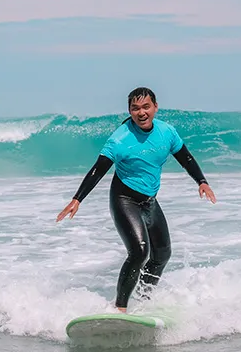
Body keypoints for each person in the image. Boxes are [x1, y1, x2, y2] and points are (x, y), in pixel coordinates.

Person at [56, 87, 216, 312]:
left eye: (146, 107)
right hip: (124, 198)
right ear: (130, 111)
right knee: (140, 252)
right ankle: (120, 308)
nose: (141, 112)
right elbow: (97, 170)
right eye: (135, 108)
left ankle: (143, 301)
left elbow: (185, 158)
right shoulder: (120, 139)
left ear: (155, 107)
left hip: (149, 200)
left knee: (162, 254)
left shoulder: (167, 132)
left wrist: (201, 181)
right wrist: (77, 199)